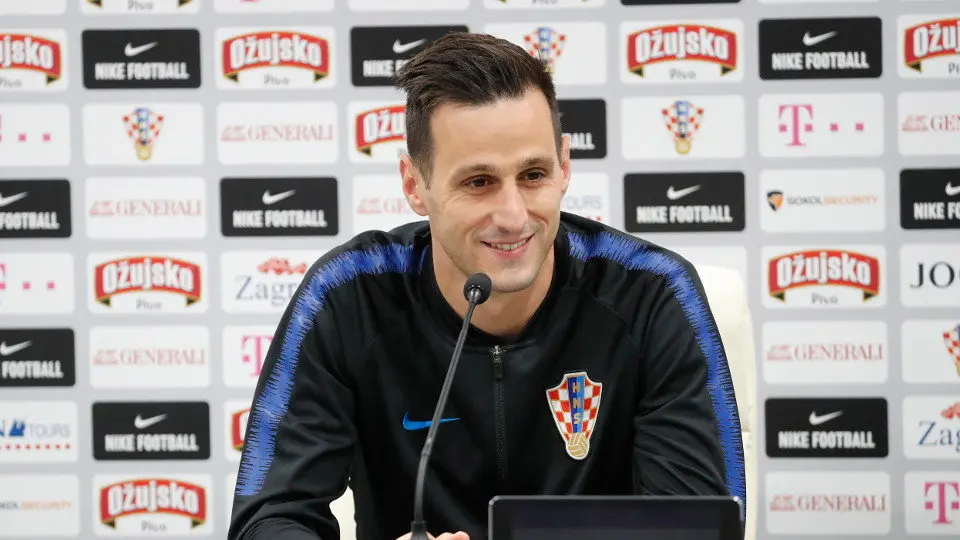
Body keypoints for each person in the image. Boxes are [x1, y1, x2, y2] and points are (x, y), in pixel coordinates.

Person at [228, 31, 745, 540]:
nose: (513, 215)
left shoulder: (652, 294)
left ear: (565, 166)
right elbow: (268, 519)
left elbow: (701, 525)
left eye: (534, 174)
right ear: (414, 184)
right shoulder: (348, 297)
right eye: (478, 182)